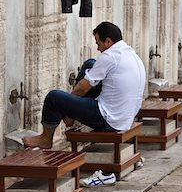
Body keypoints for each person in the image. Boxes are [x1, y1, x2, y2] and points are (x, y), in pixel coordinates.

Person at [22, 21, 146, 149]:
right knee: (90, 64)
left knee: (54, 97)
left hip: (109, 121)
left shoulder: (110, 56)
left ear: (108, 42)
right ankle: (69, 116)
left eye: (99, 44)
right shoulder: (131, 54)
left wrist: (67, 108)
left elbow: (82, 88)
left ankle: (45, 139)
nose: (98, 49)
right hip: (125, 119)